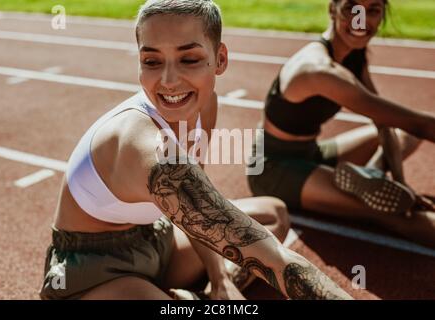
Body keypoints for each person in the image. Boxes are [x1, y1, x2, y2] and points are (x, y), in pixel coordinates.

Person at [39, 0, 352, 300]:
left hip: (156, 236)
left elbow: (200, 209)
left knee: (273, 215)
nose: (169, 81)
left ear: (220, 59)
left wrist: (221, 279)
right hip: (97, 267)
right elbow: (274, 260)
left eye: (188, 59)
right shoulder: (147, 151)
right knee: (261, 253)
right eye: (152, 61)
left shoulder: (203, 105)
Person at [248, 0, 435, 248]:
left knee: (403, 134)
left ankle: (373, 173)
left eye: (373, 10)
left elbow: (385, 125)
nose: (361, 20)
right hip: (274, 170)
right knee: (393, 214)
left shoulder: (353, 54)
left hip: (313, 153)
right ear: (332, 9)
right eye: (351, 8)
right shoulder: (318, 69)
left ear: (382, 16)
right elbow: (418, 124)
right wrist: (402, 196)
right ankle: (372, 187)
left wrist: (399, 182)